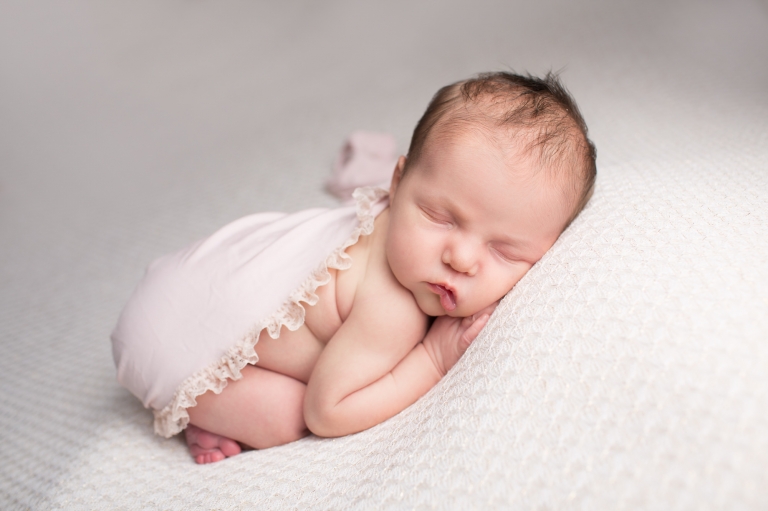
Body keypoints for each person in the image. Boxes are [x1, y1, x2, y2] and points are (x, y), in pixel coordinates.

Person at [111, 71, 597, 464]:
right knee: (290, 417)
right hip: (166, 340)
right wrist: (433, 359)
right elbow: (328, 412)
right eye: (440, 216)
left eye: (505, 252)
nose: (462, 259)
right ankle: (205, 411)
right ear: (398, 181)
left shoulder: (403, 218)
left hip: (192, 276)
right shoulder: (392, 309)